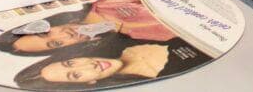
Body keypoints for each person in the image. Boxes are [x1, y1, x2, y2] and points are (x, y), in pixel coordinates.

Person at [0, 0, 176, 56]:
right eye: (56, 43)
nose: (64, 35)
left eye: (45, 32)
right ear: (62, 49)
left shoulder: (103, 3)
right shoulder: (130, 49)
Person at [14, 36, 210, 89]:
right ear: (88, 85)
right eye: (76, 75)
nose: (89, 65)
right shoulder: (165, 81)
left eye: (71, 63)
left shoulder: (124, 38)